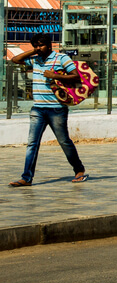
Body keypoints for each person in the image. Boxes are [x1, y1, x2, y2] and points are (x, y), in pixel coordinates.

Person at [7, 34, 87, 186]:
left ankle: (79, 169)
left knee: (64, 141)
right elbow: (15, 60)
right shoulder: (35, 60)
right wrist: (33, 51)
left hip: (57, 109)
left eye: (41, 45)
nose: (38, 48)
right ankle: (26, 178)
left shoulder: (61, 58)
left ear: (49, 45)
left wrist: (54, 75)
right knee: (32, 144)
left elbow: (76, 77)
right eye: (36, 45)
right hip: (38, 109)